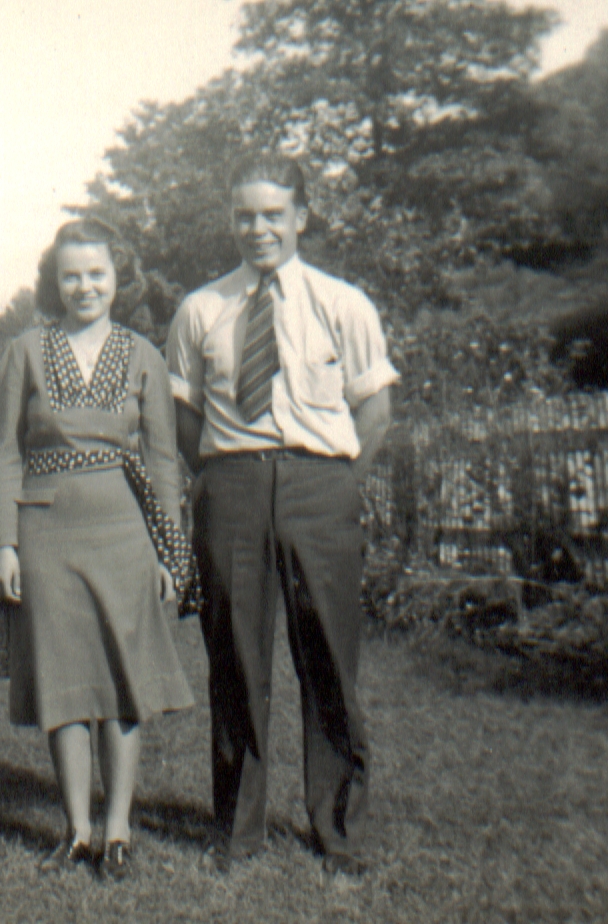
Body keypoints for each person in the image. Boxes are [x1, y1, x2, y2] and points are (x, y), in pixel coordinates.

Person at [166, 155, 398, 876]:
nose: (258, 228)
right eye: (245, 215)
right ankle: (236, 832)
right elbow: (184, 413)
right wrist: (220, 478)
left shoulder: (343, 303)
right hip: (233, 485)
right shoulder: (202, 308)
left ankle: (339, 830)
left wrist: (331, 483)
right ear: (230, 221)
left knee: (328, 658)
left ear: (301, 216)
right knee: (236, 661)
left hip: (318, 485)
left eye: (273, 214)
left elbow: (375, 410)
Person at [0, 218, 196, 881]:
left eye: (97, 274)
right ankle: (77, 831)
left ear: (118, 278)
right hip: (45, 532)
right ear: (54, 281)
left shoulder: (143, 355)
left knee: (123, 681)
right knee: (64, 680)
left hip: (124, 531)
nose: (84, 286)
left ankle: (119, 831)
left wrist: (170, 554)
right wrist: (4, 545)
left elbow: (164, 462)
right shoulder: (24, 349)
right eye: (71, 274)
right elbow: (3, 452)